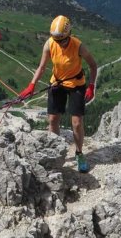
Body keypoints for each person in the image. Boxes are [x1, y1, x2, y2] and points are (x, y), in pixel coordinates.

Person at [19, 15, 97, 173]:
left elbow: (93, 66)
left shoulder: (78, 46)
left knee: (76, 122)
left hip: (76, 84)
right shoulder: (50, 43)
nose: (59, 43)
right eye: (56, 40)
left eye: (62, 40)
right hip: (57, 83)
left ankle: (79, 153)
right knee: (53, 119)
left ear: (69, 35)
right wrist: (32, 84)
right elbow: (41, 67)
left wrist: (91, 86)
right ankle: (54, 150)